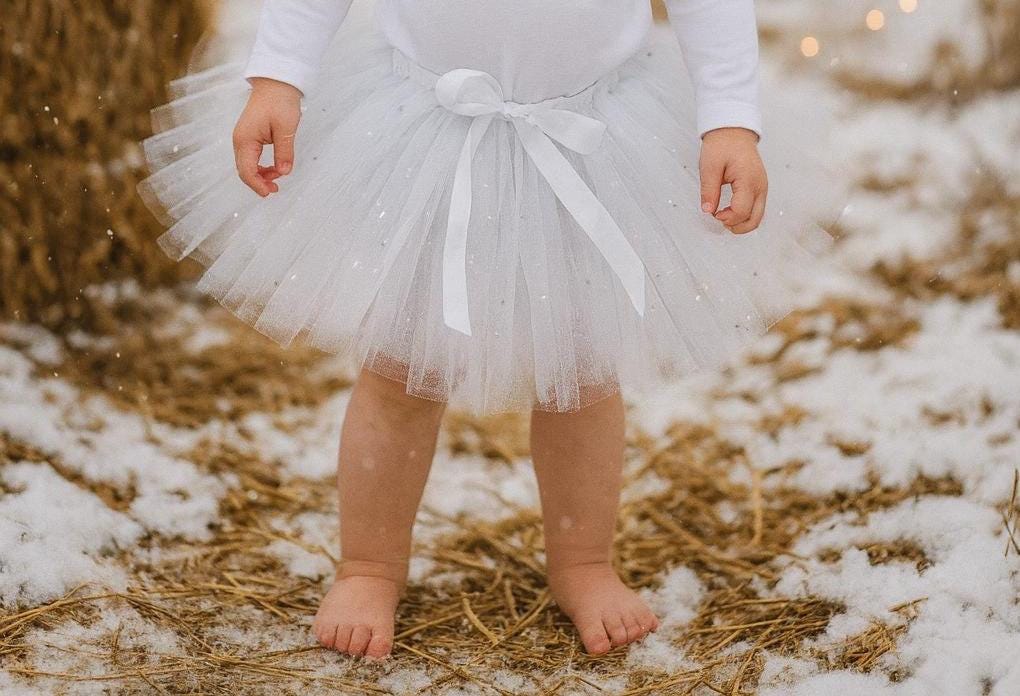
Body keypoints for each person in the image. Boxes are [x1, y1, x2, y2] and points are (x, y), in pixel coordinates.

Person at [139, 0, 835, 660]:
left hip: (596, 135)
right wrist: (280, 76)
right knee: (402, 371)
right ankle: (369, 567)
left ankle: (584, 560)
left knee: (582, 378)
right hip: (422, 132)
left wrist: (730, 121)